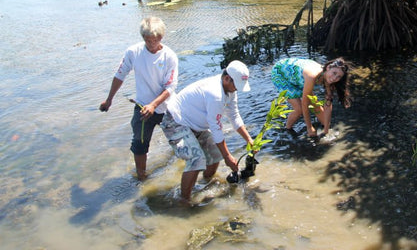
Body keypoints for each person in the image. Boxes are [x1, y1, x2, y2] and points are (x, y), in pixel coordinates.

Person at [161, 60, 254, 204]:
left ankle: (204, 183)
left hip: (196, 125)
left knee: (215, 155)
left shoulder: (229, 89)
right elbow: (216, 128)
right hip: (175, 121)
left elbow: (234, 116)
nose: (237, 89)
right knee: (197, 159)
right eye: (236, 85)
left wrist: (249, 140)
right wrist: (228, 157)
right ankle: (183, 201)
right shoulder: (215, 94)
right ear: (226, 78)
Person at [99, 17, 178, 181]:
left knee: (180, 142)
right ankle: (142, 177)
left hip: (166, 107)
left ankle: (178, 168)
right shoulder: (133, 52)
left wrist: (154, 104)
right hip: (143, 106)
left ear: (161, 37)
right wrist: (109, 99)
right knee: (139, 144)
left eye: (155, 40)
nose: (151, 44)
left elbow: (170, 87)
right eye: (147, 40)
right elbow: (120, 75)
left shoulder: (170, 56)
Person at [271, 57, 351, 137]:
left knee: (317, 109)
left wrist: (326, 129)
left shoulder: (329, 80)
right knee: (299, 109)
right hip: (281, 73)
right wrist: (309, 128)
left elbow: (328, 104)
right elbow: (304, 104)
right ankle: (287, 129)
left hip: (299, 77)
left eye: (338, 77)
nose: (334, 78)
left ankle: (325, 128)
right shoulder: (312, 76)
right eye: (334, 73)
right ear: (328, 67)